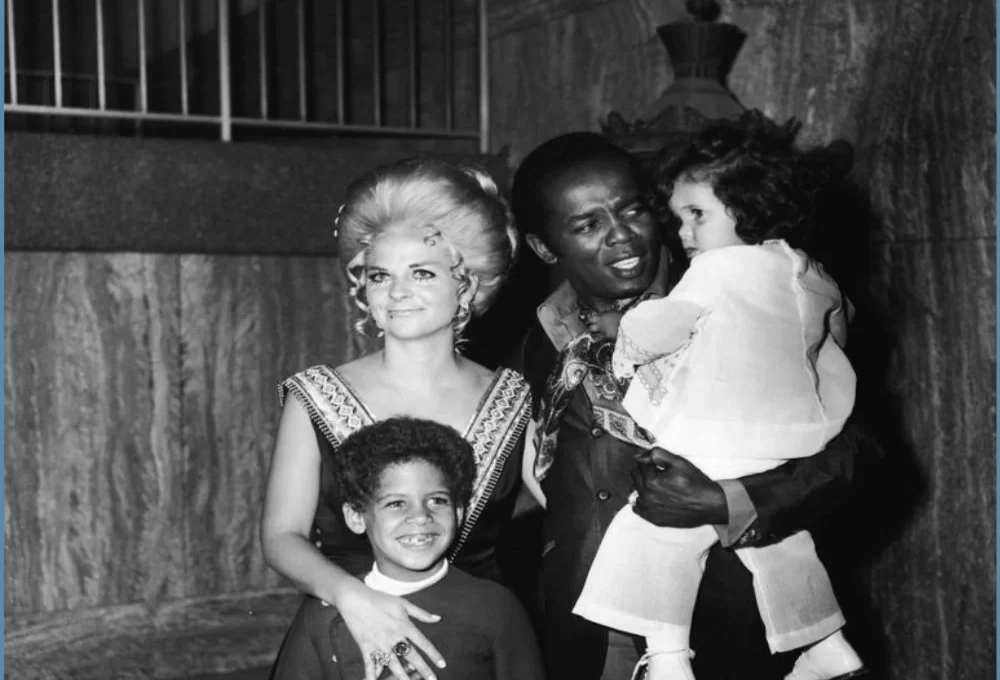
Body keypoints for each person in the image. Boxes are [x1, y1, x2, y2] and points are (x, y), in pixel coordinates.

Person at [507, 129, 882, 680]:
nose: (621, 235)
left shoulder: (748, 292)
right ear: (544, 247)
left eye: (633, 209)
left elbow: (858, 453)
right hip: (587, 628)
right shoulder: (536, 339)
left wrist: (725, 500)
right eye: (588, 225)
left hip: (727, 627)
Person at [261, 157, 533, 680]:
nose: (397, 292)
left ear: (467, 286)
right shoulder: (315, 394)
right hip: (346, 632)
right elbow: (281, 536)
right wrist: (354, 600)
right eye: (381, 275)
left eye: (423, 273)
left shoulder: (515, 398)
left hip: (471, 642)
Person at [269, 416, 545, 679]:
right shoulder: (322, 616)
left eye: (437, 500)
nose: (421, 517)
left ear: (459, 513)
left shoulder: (495, 608)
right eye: (396, 503)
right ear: (356, 517)